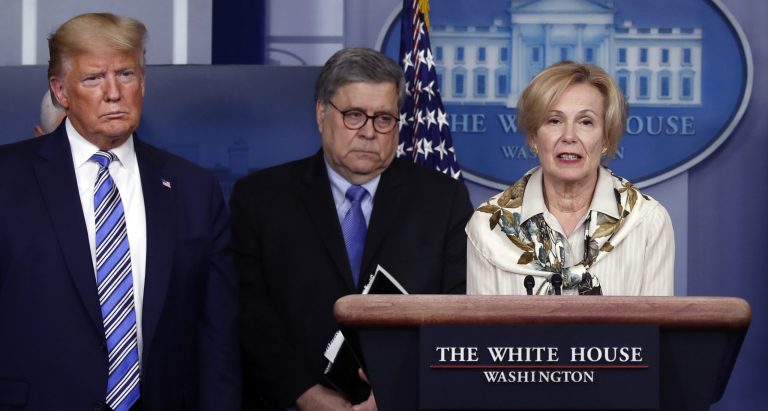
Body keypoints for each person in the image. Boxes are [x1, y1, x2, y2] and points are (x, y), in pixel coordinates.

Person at [0, 13, 239, 410]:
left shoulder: (194, 190)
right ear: (60, 90)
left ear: (143, 83)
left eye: (125, 74)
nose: (113, 93)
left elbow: (218, 337)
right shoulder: (7, 179)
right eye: (93, 78)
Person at [231, 47, 473, 410]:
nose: (369, 133)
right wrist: (307, 396)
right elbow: (250, 314)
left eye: (384, 119)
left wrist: (397, 391)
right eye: (354, 115)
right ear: (321, 114)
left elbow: (456, 314)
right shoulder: (260, 199)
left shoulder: (443, 200)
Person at [466, 61, 674, 296]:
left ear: (605, 139)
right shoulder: (489, 226)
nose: (569, 136)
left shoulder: (647, 222)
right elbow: (482, 333)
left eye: (586, 122)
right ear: (534, 137)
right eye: (554, 121)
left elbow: (653, 330)